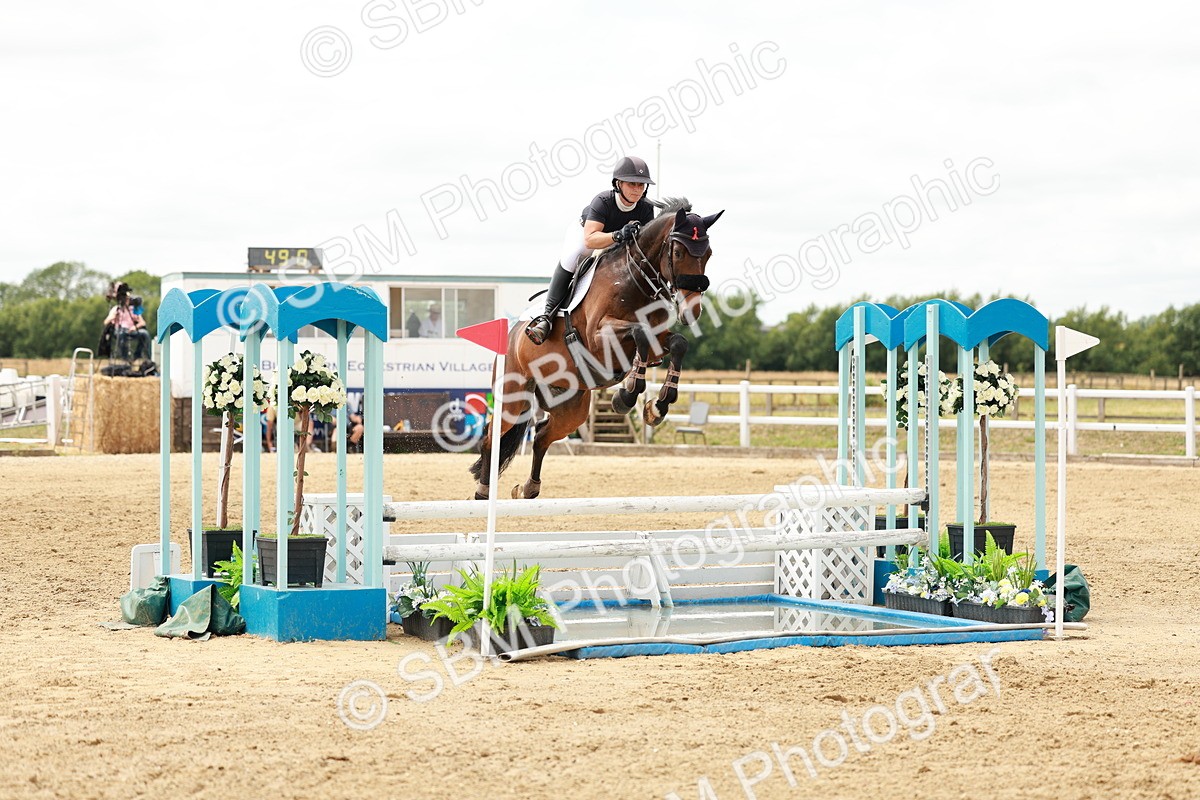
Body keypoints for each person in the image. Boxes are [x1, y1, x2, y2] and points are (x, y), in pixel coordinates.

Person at [525, 155, 657, 345]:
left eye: (641, 185)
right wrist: (618, 235)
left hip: (619, 242)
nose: (637, 190)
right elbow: (590, 239)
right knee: (573, 257)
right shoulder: (603, 201)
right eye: (632, 184)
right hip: (587, 235)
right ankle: (547, 317)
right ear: (618, 184)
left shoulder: (646, 208)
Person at [104, 292, 151, 361]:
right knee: (121, 334)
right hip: (119, 330)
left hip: (132, 330)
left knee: (145, 334)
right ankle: (125, 358)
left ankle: (138, 355)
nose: (126, 301)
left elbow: (143, 322)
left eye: (127, 299)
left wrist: (135, 327)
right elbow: (106, 322)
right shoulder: (116, 309)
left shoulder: (133, 309)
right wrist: (113, 316)